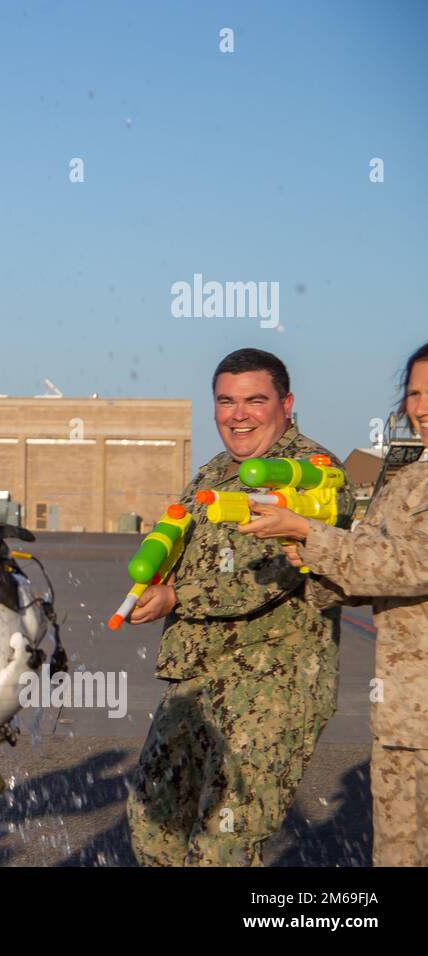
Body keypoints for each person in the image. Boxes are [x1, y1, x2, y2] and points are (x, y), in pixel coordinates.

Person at [124, 347, 354, 866]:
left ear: (286, 404)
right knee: (152, 825)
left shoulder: (310, 474)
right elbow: (178, 543)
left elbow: (272, 573)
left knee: (223, 846)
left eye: (255, 400)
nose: (239, 414)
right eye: (226, 401)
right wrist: (152, 579)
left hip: (271, 688)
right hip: (196, 680)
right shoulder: (211, 475)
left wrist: (177, 596)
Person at [237, 342, 428, 866]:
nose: (423, 406)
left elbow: (413, 564)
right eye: (414, 392)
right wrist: (298, 547)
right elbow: (361, 571)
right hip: (403, 726)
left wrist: (309, 533)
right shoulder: (407, 482)